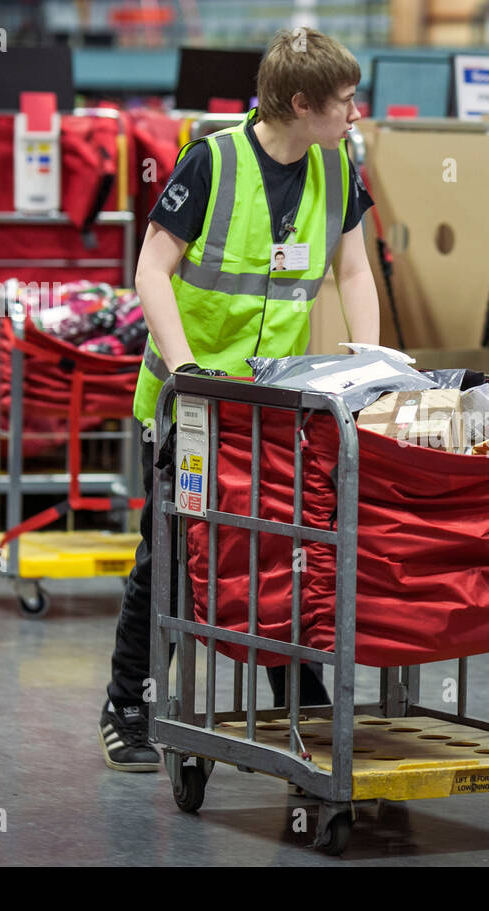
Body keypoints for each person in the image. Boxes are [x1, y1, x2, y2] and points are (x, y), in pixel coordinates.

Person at [100, 28, 380, 771]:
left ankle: (298, 690)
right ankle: (128, 703)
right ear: (301, 103)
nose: (356, 113)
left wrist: (370, 360)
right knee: (170, 556)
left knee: (280, 549)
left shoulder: (336, 166)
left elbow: (353, 270)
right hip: (190, 406)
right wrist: (190, 368)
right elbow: (150, 271)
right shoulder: (213, 161)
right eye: (345, 101)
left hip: (274, 406)